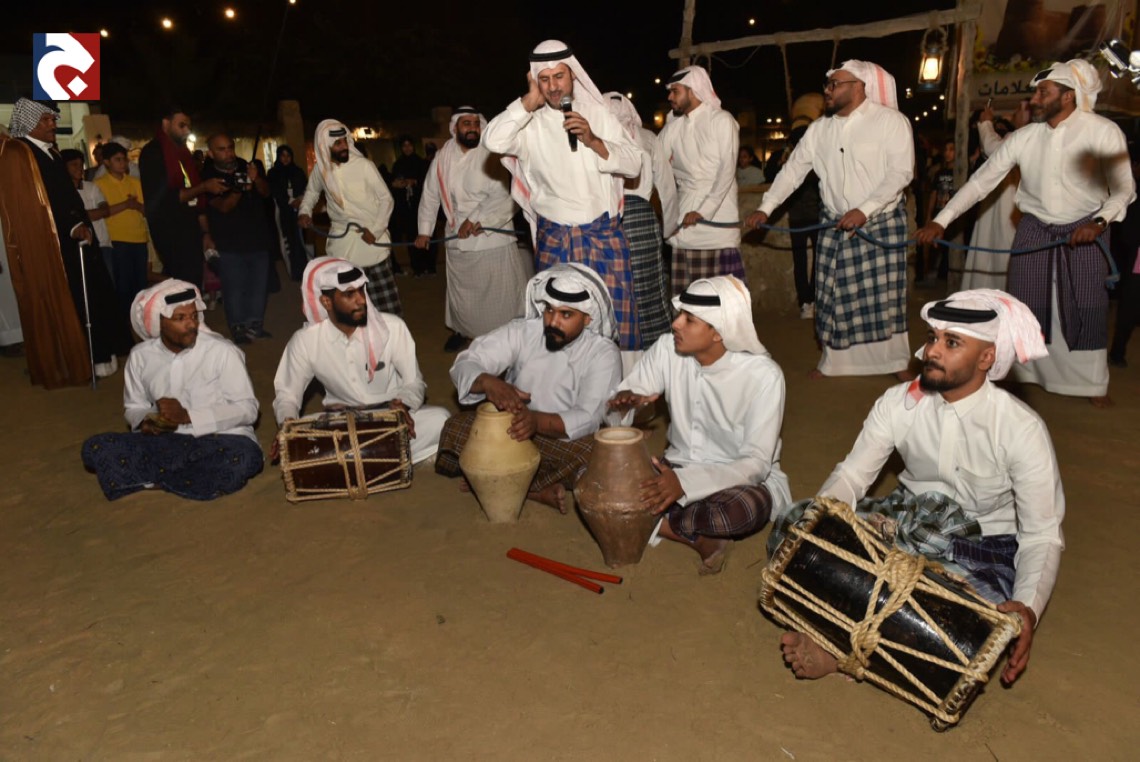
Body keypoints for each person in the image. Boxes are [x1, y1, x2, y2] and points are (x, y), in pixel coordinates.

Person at [772, 290, 1062, 688]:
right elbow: (853, 477)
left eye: (951, 342)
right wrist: (817, 532)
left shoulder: (1021, 429)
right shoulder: (898, 403)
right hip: (903, 520)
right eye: (932, 337)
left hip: (978, 549)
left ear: (986, 358)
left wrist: (1028, 608)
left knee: (972, 633)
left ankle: (836, 635)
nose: (932, 351)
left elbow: (1042, 534)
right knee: (792, 523)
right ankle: (854, 637)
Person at [917, 61, 1136, 408]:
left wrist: (1099, 223)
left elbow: (1124, 188)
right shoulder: (1024, 137)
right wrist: (940, 221)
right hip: (1034, 229)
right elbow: (980, 183)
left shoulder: (1103, 132)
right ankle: (1025, 374)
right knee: (1026, 305)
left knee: (1087, 305)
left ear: (1068, 96)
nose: (1034, 99)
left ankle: (1092, 382)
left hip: (1087, 229)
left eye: (1043, 93)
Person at [607, 276, 791, 574]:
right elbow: (621, 412)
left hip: (737, 480)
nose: (675, 324)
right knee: (605, 480)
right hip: (675, 466)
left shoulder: (764, 376)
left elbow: (756, 464)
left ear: (718, 332)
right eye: (679, 315)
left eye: (689, 320)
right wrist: (628, 403)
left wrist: (684, 485)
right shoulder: (666, 349)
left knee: (736, 512)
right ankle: (702, 539)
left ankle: (656, 519)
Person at [747, 61, 915, 380]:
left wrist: (865, 209)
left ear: (859, 86)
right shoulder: (819, 129)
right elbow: (792, 171)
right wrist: (765, 208)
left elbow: (901, 173)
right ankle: (834, 362)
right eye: (827, 84)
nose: (827, 90)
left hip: (880, 222)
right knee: (833, 297)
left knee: (884, 300)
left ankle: (895, 362)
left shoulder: (891, 122)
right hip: (835, 223)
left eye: (835, 84)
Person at [482, 40, 643, 352]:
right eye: (544, 79)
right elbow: (493, 141)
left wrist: (594, 140)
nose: (553, 86)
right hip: (555, 240)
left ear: (573, 76)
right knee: (560, 330)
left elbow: (635, 163)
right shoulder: (527, 123)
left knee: (616, 326)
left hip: (602, 238)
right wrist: (528, 102)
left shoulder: (599, 114)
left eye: (559, 76)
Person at [435, 263, 622, 512]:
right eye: (549, 310)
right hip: (511, 431)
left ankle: (502, 483)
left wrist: (535, 422)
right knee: (455, 428)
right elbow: (467, 362)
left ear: (588, 318)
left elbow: (589, 417)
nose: (553, 321)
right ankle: (532, 489)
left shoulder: (603, 353)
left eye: (566, 315)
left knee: (600, 456)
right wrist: (488, 382)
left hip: (562, 440)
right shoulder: (525, 331)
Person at [80, 280, 263, 500]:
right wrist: (147, 421)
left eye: (194, 315)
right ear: (158, 324)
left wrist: (188, 416)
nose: (191, 324)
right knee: (96, 447)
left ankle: (153, 478)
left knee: (243, 459)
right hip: (167, 442)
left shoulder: (222, 351)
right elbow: (134, 407)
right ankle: (181, 478)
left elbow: (248, 410)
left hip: (220, 439)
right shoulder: (140, 356)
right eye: (180, 318)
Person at [272, 257, 448, 465]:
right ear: (326, 302)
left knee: (441, 420)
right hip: (340, 424)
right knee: (300, 436)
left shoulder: (393, 327)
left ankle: (357, 460)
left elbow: (414, 382)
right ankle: (386, 458)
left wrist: (403, 404)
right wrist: (288, 425)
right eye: (349, 294)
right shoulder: (306, 340)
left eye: (361, 290)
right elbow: (287, 395)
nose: (361, 300)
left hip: (390, 420)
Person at [9, 98, 130, 378]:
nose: (53, 124)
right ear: (29, 122)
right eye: (46, 120)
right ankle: (80, 360)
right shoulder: (21, 153)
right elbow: (35, 203)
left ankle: (101, 353)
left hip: (77, 236)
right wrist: (71, 226)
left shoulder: (49, 152)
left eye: (53, 118)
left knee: (94, 294)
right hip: (54, 243)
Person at [414, 106, 532, 352]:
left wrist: (476, 218)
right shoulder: (442, 157)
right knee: (462, 296)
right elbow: (430, 195)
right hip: (456, 238)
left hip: (490, 237)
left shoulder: (491, 153)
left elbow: (504, 193)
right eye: (466, 123)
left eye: (476, 124)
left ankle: (503, 340)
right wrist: (424, 230)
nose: (472, 128)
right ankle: (464, 331)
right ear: (455, 127)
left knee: (498, 298)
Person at [659, 66, 748, 295]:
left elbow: (727, 172)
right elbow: (655, 167)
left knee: (722, 306)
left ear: (693, 90)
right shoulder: (673, 128)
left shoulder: (722, 120)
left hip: (718, 228)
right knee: (686, 306)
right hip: (683, 230)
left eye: (675, 91)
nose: (670, 97)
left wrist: (703, 212)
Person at [298, 120, 401, 316]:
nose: (344, 146)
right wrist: (304, 211)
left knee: (387, 308)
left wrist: (376, 230)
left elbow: (386, 199)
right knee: (350, 309)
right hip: (342, 247)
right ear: (326, 146)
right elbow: (311, 193)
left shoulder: (364, 166)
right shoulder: (321, 170)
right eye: (338, 144)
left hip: (372, 242)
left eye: (345, 141)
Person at [604, 92, 678, 348]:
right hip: (642, 220)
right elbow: (667, 187)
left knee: (614, 289)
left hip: (607, 221)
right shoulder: (647, 137)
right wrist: (669, 230)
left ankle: (617, 352)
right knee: (650, 289)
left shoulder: (596, 139)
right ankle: (657, 350)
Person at [139, 106, 227, 288]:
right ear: (166, 124)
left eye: (188, 126)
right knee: (182, 284)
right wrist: (204, 186)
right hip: (171, 231)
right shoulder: (153, 153)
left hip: (191, 228)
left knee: (194, 282)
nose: (186, 130)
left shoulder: (182, 154)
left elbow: (197, 200)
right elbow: (167, 198)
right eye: (181, 125)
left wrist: (205, 233)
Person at [200, 133, 272, 343]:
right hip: (228, 241)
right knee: (234, 288)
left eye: (230, 147)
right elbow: (223, 207)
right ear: (211, 153)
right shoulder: (207, 176)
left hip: (257, 238)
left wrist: (256, 178)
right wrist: (241, 188)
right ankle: (238, 327)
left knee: (259, 286)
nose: (228, 153)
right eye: (221, 149)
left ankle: (255, 325)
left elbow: (266, 193)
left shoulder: (245, 165)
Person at [961, 107, 1023, 291]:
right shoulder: (1015, 137)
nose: (1013, 113)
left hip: (1012, 209)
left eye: (1021, 108)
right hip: (997, 206)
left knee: (1002, 254)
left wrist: (986, 123)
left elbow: (993, 148)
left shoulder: (1023, 137)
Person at [93, 142, 150, 315]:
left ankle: (141, 318)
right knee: (123, 284)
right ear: (106, 162)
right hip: (117, 239)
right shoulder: (98, 184)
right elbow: (102, 212)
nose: (123, 163)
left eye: (124, 159)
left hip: (139, 237)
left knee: (141, 283)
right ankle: (125, 320)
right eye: (117, 160)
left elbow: (146, 210)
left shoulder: (134, 182)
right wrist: (126, 204)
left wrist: (136, 205)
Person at [61, 148, 116, 289]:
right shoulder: (62, 192)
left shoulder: (91, 187)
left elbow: (105, 210)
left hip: (102, 244)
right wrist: (88, 215)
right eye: (74, 165)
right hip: (79, 248)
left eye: (81, 164)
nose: (79, 168)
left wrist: (79, 216)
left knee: (109, 285)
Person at [391, 135, 433, 276]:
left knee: (426, 234)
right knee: (411, 236)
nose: (407, 148)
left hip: (422, 205)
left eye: (409, 145)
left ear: (413, 146)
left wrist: (414, 182)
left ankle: (429, 266)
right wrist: (397, 184)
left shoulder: (422, 163)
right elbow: (394, 182)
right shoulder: (398, 164)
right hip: (407, 208)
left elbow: (429, 183)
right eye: (404, 146)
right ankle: (417, 268)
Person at [267, 145, 310, 280]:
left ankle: (305, 270)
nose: (286, 159)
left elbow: (307, 187)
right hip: (283, 211)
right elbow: (275, 191)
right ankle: (293, 272)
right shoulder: (273, 173)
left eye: (288, 156)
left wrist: (300, 199)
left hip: (299, 209)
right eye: (283, 156)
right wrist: (290, 201)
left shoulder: (298, 171)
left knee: (300, 241)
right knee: (288, 241)